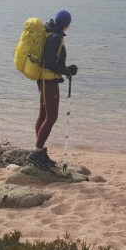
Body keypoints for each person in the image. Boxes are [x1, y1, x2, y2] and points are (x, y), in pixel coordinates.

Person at [29, 9, 78, 169]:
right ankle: (36, 153)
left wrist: (65, 69)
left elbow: (50, 61)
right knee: (52, 117)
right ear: (66, 24)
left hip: (43, 79)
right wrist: (67, 70)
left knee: (43, 115)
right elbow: (50, 63)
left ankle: (39, 151)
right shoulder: (55, 37)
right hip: (48, 81)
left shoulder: (49, 32)